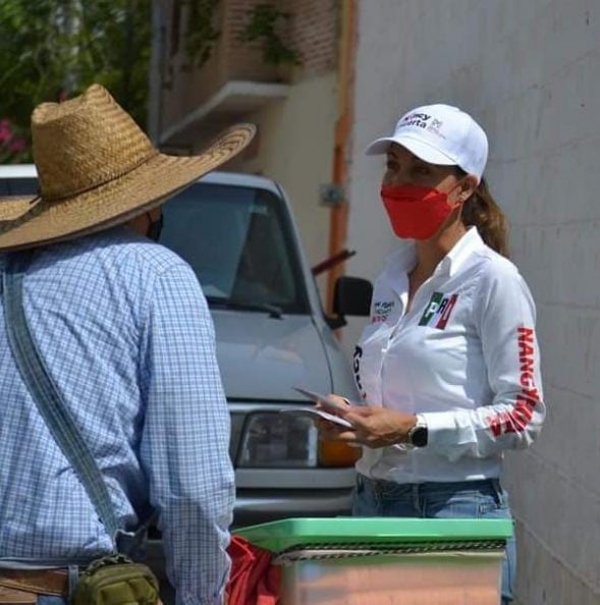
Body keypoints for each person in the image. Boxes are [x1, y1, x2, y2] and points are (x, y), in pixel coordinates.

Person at [0, 84, 255, 605]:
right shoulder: (156, 275)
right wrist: (202, 597)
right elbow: (194, 486)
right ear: (150, 203)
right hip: (73, 588)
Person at [318, 104, 545, 605]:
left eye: (422, 170)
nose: (400, 181)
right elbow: (396, 400)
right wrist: (355, 419)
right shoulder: (391, 276)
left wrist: (414, 428)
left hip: (452, 514)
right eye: (394, 166)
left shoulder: (494, 281)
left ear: (464, 188)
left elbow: (524, 414)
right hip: (371, 507)